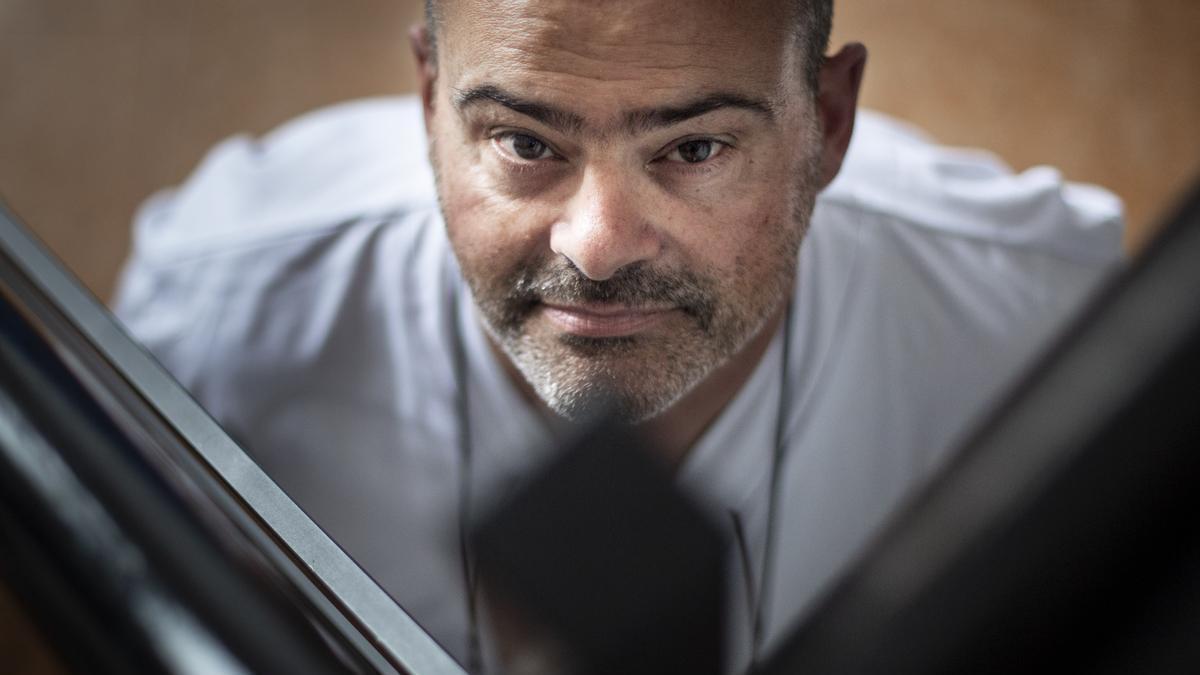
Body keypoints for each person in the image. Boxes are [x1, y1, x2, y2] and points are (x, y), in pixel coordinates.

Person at [113, 0, 1124, 672]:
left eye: (693, 148)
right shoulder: (221, 313)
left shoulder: (1043, 326)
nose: (596, 249)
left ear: (825, 123)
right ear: (429, 104)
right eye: (523, 142)